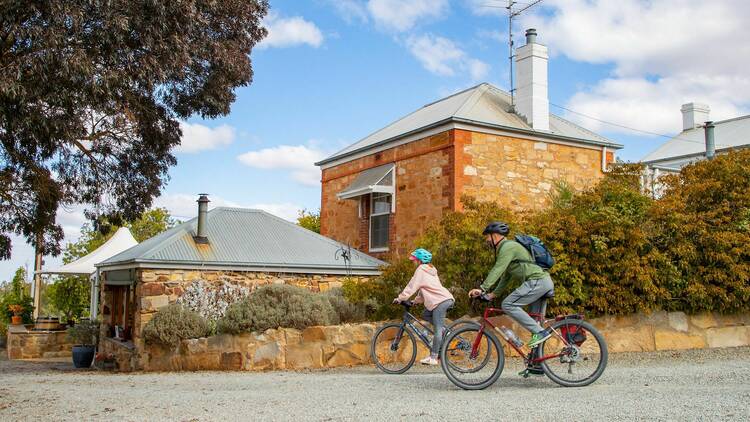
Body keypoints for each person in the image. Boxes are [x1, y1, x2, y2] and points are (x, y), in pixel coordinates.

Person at [469, 221, 555, 354]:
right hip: (540, 283)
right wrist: (493, 294)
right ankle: (536, 364)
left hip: (537, 281)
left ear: (495, 236)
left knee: (508, 304)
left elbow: (498, 269)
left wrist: (482, 288)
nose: (487, 240)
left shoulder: (507, 247)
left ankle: (540, 332)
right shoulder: (507, 248)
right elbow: (506, 276)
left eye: (488, 236)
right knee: (534, 322)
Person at [393, 248, 454, 366]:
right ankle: (444, 331)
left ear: (420, 261)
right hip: (445, 299)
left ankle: (434, 357)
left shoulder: (421, 270)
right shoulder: (430, 270)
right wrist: (415, 301)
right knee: (425, 314)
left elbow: (412, 286)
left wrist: (400, 298)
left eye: (414, 260)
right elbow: (424, 289)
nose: (413, 263)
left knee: (437, 329)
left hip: (440, 302)